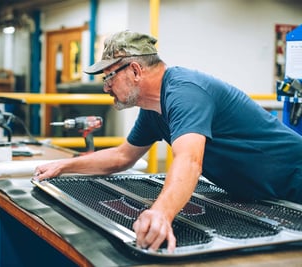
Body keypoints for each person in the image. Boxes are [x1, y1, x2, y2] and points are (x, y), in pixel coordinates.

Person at [32, 30, 302, 253]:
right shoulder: (153, 110)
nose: (106, 87)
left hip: (294, 183)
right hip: (262, 195)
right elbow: (123, 156)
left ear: (135, 70)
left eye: (109, 77)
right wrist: (62, 167)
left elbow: (189, 160)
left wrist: (160, 213)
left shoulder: (185, 92)